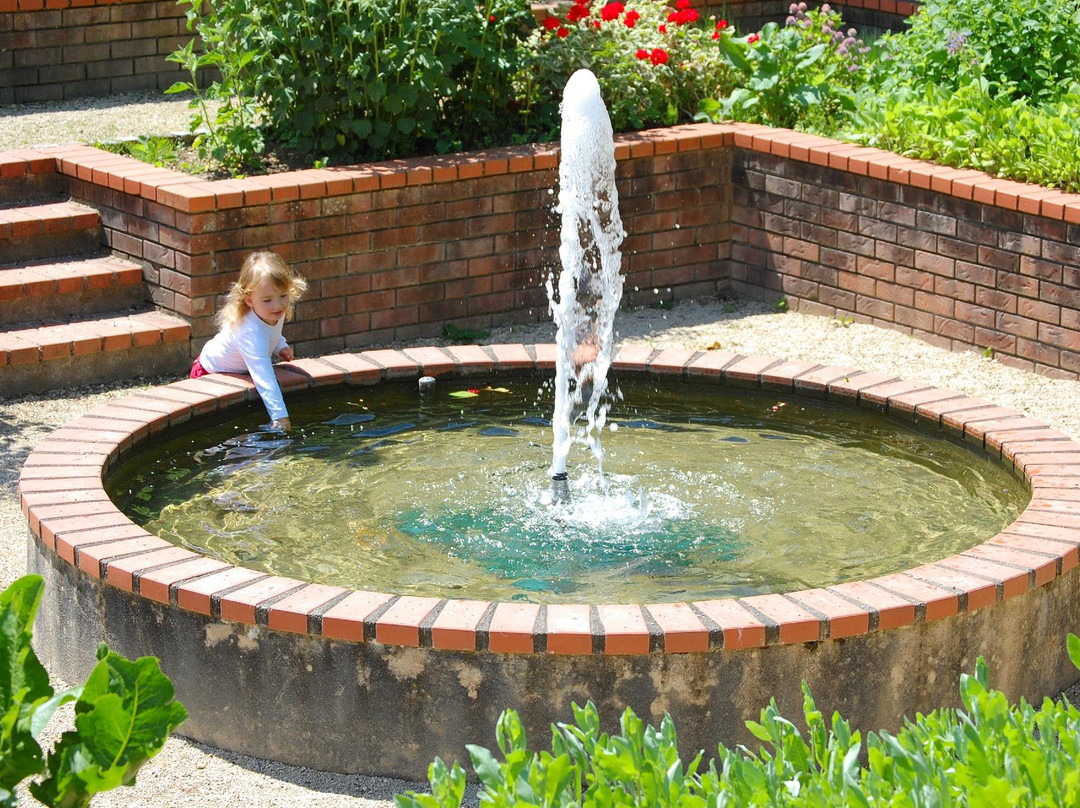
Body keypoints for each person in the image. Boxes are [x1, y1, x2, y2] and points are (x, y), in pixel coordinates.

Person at [190, 251, 308, 430]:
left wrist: (279, 345)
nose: (278, 305)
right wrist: (280, 418)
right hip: (209, 372)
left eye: (283, 296)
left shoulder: (271, 312)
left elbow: (271, 332)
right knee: (219, 430)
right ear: (249, 300)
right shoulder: (249, 333)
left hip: (234, 369)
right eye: (267, 300)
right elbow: (265, 380)